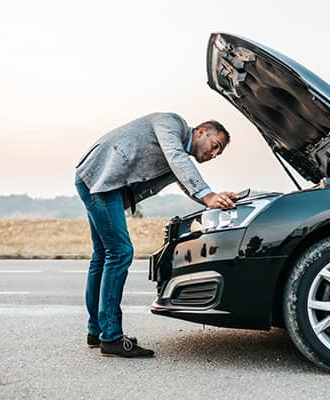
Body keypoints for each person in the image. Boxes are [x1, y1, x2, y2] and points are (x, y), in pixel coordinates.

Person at [74, 112, 238, 358]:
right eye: (216, 146)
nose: (214, 155)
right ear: (201, 132)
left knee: (103, 256)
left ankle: (96, 331)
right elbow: (176, 157)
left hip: (97, 180)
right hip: (101, 180)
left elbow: (184, 178)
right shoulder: (171, 124)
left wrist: (214, 199)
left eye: (219, 153)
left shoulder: (180, 154)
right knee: (120, 253)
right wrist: (207, 194)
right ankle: (111, 337)